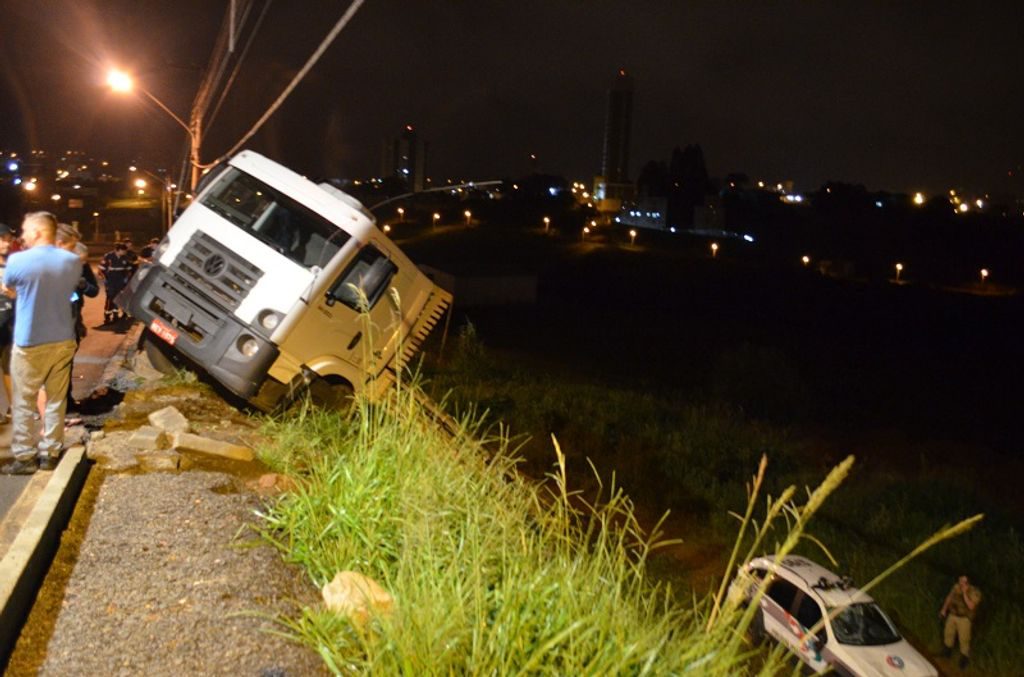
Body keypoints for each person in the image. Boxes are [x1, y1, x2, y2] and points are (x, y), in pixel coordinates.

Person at [0, 212, 82, 475]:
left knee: (24, 401)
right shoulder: (72, 260)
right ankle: (51, 453)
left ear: (37, 232)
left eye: (25, 230)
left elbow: (11, 288)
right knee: (57, 399)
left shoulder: (18, 260)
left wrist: (17, 292)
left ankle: (25, 457)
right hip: (63, 338)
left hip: (30, 340)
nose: (22, 236)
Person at [940, 574, 982, 669]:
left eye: (963, 581)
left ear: (968, 582)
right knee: (948, 633)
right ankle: (947, 652)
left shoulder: (974, 592)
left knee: (964, 639)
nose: (961, 583)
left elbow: (971, 606)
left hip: (964, 619)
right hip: (953, 615)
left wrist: (964, 593)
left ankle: (964, 659)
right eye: (960, 581)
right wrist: (944, 609)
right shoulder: (956, 587)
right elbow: (949, 597)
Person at [97, 240, 135, 324]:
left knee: (118, 298)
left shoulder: (125, 258)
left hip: (120, 282)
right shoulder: (108, 256)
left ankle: (115, 315)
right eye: (124, 251)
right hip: (110, 281)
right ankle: (107, 317)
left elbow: (128, 270)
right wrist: (105, 280)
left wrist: (126, 280)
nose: (125, 252)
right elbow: (100, 270)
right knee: (110, 298)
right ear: (119, 250)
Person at [0, 223, 16, 422]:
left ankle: (14, 409)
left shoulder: (14, 266)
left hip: (11, 326)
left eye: (9, 240)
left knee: (10, 368)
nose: (7, 243)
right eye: (3, 239)